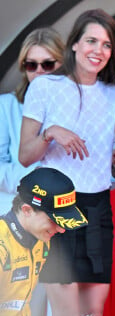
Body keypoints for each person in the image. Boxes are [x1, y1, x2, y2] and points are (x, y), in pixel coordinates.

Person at [18, 9, 115, 316]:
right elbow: (25, 155)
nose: (98, 50)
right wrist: (52, 131)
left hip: (97, 208)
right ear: (73, 44)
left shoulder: (111, 94)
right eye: (91, 40)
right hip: (55, 210)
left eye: (106, 45)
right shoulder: (46, 87)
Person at [0, 168, 88, 316]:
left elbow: (19, 307)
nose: (61, 230)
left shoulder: (40, 241)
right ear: (27, 210)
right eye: (54, 220)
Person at [0, 27, 64, 215]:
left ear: (64, 65)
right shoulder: (6, 106)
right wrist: (41, 183)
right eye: (31, 65)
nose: (39, 72)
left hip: (62, 221)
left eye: (48, 64)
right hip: (14, 217)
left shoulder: (77, 108)